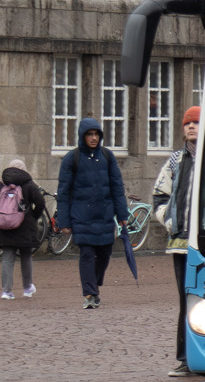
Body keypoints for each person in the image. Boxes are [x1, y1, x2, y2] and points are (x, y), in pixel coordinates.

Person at [56, 116, 129, 310]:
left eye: (96, 134)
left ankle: (94, 285)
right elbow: (63, 191)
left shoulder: (107, 156)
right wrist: (64, 221)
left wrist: (122, 215)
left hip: (105, 215)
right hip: (81, 216)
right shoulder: (72, 158)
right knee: (87, 254)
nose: (94, 137)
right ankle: (89, 294)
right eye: (90, 134)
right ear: (83, 136)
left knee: (104, 253)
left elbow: (117, 187)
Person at [153, 106, 200, 376]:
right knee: (186, 301)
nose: (191, 127)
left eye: (195, 123)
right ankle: (185, 359)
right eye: (187, 124)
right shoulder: (174, 161)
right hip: (180, 245)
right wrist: (169, 221)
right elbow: (159, 195)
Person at [0, 159, 45, 300]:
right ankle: (27, 288)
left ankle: (6, 291)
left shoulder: (2, 185)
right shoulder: (30, 184)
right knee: (26, 256)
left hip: (5, 226)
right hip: (25, 226)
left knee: (7, 258)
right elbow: (40, 203)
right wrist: (32, 216)